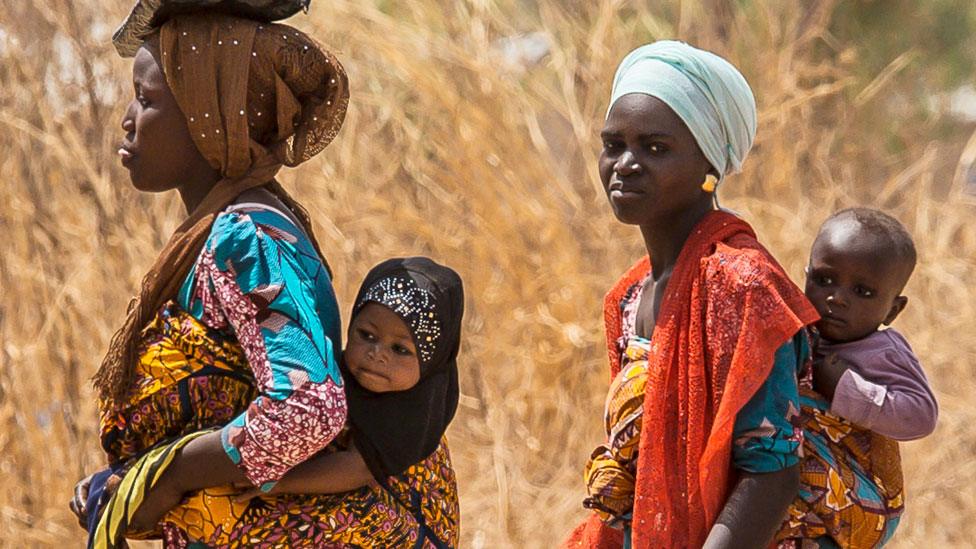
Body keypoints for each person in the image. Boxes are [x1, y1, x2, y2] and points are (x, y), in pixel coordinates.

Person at [69, 11, 457, 548]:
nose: (128, 120)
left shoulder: (248, 238)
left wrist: (171, 472)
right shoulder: (231, 228)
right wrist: (129, 479)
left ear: (211, 119)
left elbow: (307, 410)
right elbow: (230, 405)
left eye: (147, 99)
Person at [565, 41, 820, 549]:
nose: (625, 164)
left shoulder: (742, 285)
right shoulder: (630, 295)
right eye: (613, 145)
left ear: (709, 165)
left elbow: (771, 473)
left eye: (655, 148)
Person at [776, 208, 938, 548]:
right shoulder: (799, 333)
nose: (837, 298)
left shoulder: (883, 351)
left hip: (861, 505)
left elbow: (921, 416)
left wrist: (846, 387)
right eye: (824, 280)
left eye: (862, 292)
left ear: (893, 310)